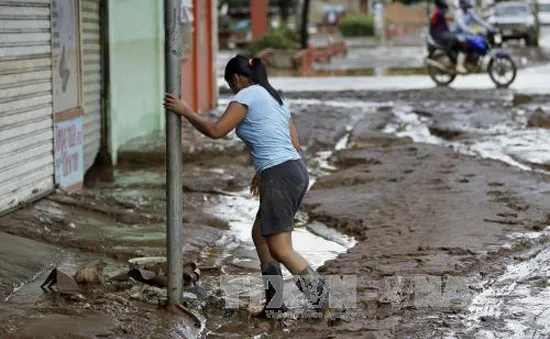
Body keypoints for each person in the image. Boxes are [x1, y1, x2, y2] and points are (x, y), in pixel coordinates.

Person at [163, 55, 329, 318]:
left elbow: (217, 131)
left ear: (237, 79)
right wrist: (263, 171)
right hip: (294, 170)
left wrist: (186, 111)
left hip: (280, 175)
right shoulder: (276, 98)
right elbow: (293, 144)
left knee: (280, 248)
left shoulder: (248, 94)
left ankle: (323, 300)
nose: (232, 90)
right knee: (259, 235)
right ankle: (274, 305)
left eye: (230, 85)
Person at [453, 0, 494, 73]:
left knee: (478, 42)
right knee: (464, 45)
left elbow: (479, 21)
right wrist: (474, 31)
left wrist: (490, 28)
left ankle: (472, 60)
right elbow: (462, 26)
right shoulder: (458, 13)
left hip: (467, 33)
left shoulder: (469, 12)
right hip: (458, 34)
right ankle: (459, 65)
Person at [429, 0, 460, 66]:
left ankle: (455, 56)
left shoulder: (438, 12)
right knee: (454, 39)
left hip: (442, 32)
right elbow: (449, 18)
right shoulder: (438, 12)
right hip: (439, 34)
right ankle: (448, 52)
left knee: (458, 38)